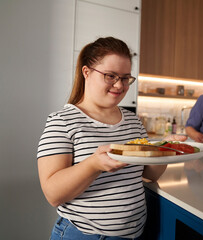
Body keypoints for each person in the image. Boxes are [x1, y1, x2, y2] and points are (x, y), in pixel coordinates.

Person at [37, 36, 185, 240]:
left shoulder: (133, 121)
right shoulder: (62, 121)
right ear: (86, 72)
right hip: (83, 236)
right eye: (110, 76)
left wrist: (167, 150)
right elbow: (53, 194)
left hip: (133, 235)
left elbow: (150, 175)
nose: (119, 85)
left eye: (125, 78)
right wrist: (93, 164)